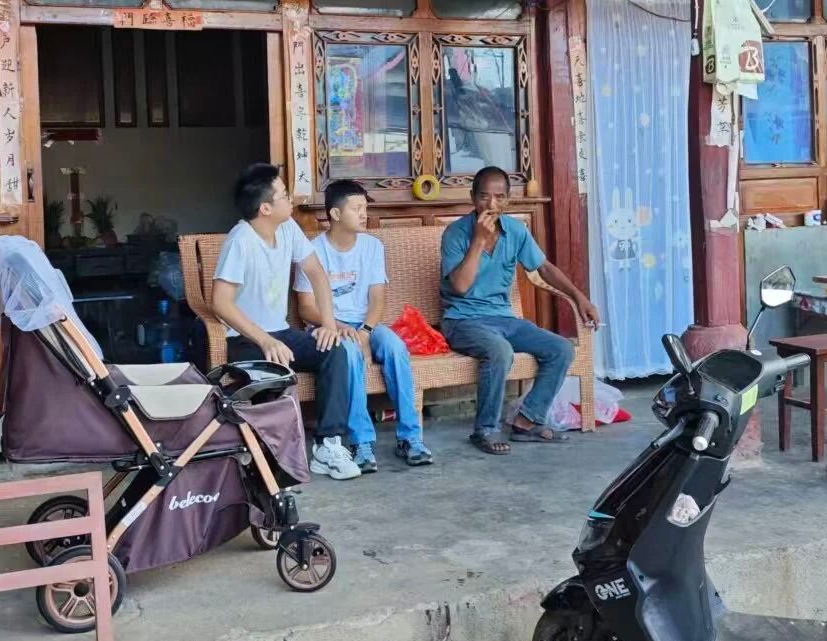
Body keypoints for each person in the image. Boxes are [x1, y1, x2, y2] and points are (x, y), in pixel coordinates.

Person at [211, 163, 361, 481]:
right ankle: (269, 460)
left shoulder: (288, 227)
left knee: (334, 350)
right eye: (283, 194)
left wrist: (329, 325)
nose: (291, 198)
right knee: (275, 372)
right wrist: (264, 339)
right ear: (265, 208)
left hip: (280, 333)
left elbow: (316, 273)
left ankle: (328, 445)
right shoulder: (240, 240)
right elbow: (220, 302)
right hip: (245, 339)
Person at [440, 166, 600, 456]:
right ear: (472, 197)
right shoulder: (455, 233)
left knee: (561, 348)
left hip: (504, 319)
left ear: (508, 200)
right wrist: (478, 240)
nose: (491, 204)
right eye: (484, 197)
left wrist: (580, 298)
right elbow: (460, 287)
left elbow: (544, 268)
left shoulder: (515, 231)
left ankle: (527, 422)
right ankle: (485, 430)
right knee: (499, 351)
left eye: (499, 197)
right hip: (463, 321)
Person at [295, 180, 435, 472]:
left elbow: (378, 298)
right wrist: (340, 327)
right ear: (335, 214)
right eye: (357, 208)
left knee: (396, 347)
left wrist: (366, 332)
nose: (364, 214)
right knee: (349, 354)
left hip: (366, 325)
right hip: (328, 327)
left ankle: (411, 437)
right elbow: (306, 308)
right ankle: (361, 442)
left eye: (365, 208)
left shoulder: (372, 246)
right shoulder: (311, 250)